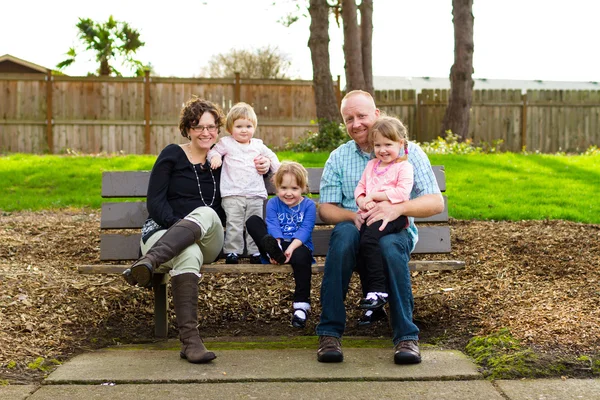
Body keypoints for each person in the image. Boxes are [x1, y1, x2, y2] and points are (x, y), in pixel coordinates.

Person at [122, 96, 270, 364]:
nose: (206, 132)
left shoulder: (225, 159)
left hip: (207, 239)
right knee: (187, 252)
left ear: (218, 129)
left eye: (212, 127)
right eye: (198, 126)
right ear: (187, 128)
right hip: (161, 232)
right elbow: (155, 203)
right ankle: (191, 342)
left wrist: (265, 167)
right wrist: (179, 229)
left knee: (206, 213)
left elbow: (256, 181)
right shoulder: (172, 154)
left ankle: (148, 262)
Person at [316, 90, 444, 365]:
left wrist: (397, 208)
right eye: (349, 119)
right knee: (343, 234)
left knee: (389, 245)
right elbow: (325, 208)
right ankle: (329, 334)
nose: (356, 123)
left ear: (376, 115)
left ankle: (406, 338)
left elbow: (435, 202)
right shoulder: (339, 157)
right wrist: (352, 217)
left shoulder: (408, 153)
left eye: (361, 116)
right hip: (356, 226)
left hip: (394, 228)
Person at [245, 162, 317, 328]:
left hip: (298, 246)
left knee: (302, 257)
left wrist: (290, 248)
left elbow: (305, 230)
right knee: (253, 221)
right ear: (276, 187)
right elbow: (272, 224)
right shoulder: (273, 204)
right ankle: (273, 253)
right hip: (275, 244)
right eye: (284, 188)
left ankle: (301, 306)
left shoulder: (308, 206)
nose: (288, 193)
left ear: (303, 188)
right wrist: (276, 247)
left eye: (294, 188)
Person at [208, 102, 281, 265]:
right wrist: (215, 157)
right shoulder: (226, 143)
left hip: (255, 193)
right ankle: (232, 251)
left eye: (248, 126)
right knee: (234, 223)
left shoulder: (258, 145)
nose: (244, 130)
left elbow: (272, 157)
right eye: (239, 126)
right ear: (230, 128)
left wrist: (277, 171)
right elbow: (213, 151)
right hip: (232, 193)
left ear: (254, 127)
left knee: (253, 223)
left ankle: (255, 251)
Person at [354, 116, 413, 312]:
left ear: (400, 143)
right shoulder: (372, 166)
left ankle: (379, 290)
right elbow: (361, 187)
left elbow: (402, 193)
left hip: (395, 218)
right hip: (373, 216)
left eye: (388, 144)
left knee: (369, 241)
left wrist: (374, 195)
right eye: (377, 145)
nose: (382, 150)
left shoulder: (403, 167)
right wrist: (362, 200)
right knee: (363, 249)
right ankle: (373, 302)